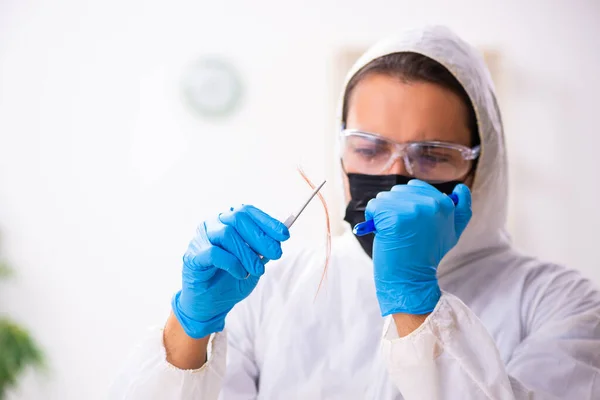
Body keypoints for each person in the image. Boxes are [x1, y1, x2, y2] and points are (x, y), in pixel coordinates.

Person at [110, 26, 600, 399]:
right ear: (341, 149)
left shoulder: (559, 303)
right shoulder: (275, 286)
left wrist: (415, 300)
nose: (396, 175)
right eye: (368, 148)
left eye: (431, 155)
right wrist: (189, 330)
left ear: (481, 166)